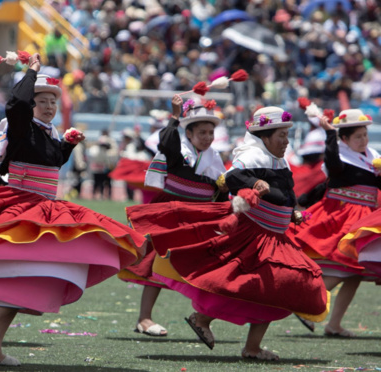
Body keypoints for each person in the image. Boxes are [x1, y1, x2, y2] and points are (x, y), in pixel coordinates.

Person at [0, 53, 146, 366]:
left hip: (45, 210)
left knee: (34, 278)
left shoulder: (47, 132)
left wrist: (68, 145)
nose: (49, 107)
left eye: (53, 102)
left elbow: (53, 162)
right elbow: (15, 105)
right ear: (31, 104)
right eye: (42, 101)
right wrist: (30, 72)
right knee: (35, 276)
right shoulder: (21, 127)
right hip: (24, 211)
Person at [127, 106, 328, 360]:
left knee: (271, 289)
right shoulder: (251, 156)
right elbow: (234, 178)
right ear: (264, 136)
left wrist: (291, 212)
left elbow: (283, 192)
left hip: (277, 237)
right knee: (245, 284)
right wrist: (253, 184)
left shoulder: (277, 160)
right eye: (281, 135)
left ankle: (250, 346)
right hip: (254, 237)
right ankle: (177, 318)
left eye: (287, 136)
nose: (286, 142)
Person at [119, 95, 227, 337]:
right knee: (154, 263)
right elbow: (166, 142)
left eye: (211, 132)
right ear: (189, 134)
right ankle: (144, 319)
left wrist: (223, 192)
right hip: (171, 213)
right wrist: (176, 116)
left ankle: (200, 318)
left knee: (208, 267)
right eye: (202, 132)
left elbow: (219, 198)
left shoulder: (215, 159)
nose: (208, 137)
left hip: (199, 218)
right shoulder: (180, 152)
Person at [288, 109, 381, 337]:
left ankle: (334, 324)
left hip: (365, 218)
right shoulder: (340, 157)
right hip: (344, 216)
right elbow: (332, 163)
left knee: (356, 273)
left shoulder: (372, 157)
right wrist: (329, 133)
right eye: (357, 136)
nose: (363, 140)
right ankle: (303, 304)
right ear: (344, 139)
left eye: (364, 135)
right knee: (343, 268)